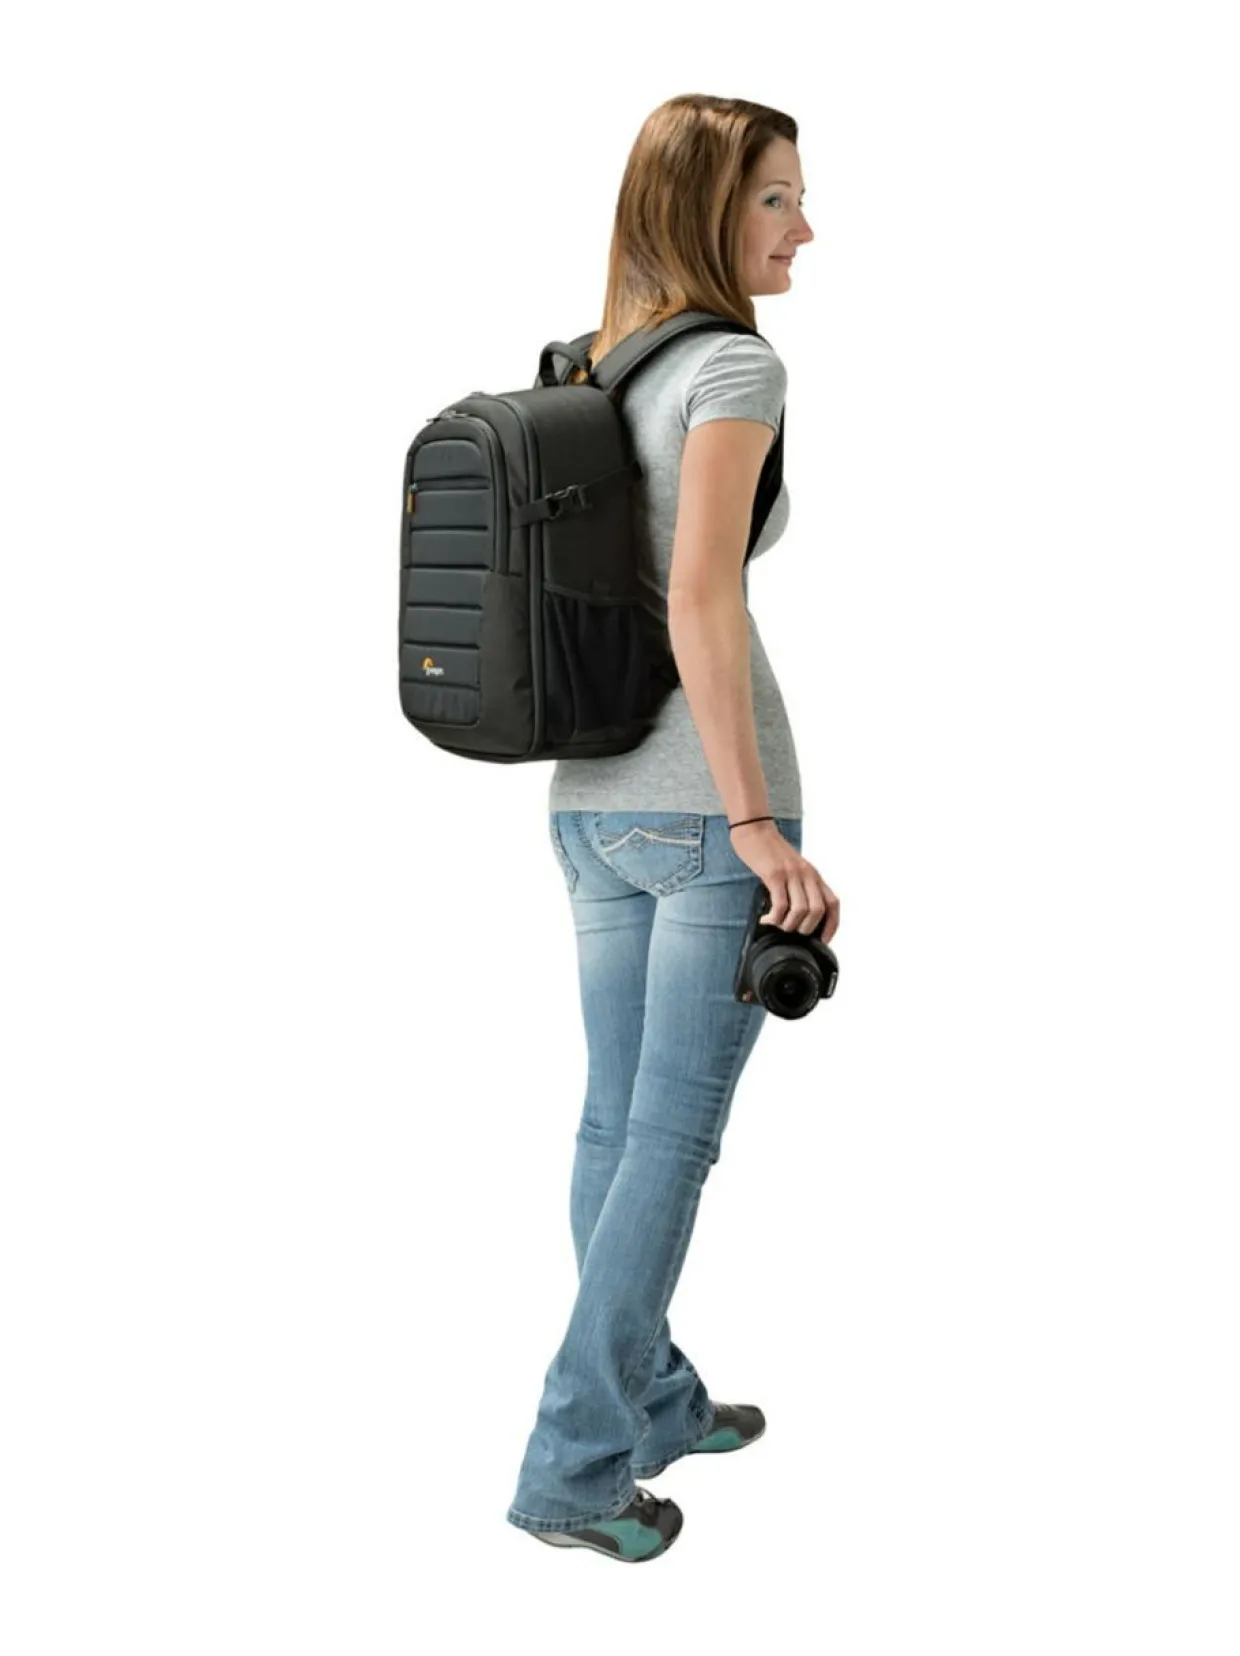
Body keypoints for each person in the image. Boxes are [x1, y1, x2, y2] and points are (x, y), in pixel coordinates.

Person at [505, 93, 840, 1563]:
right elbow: (702, 590)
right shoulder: (731, 365)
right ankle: (573, 1469)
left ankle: (651, 1402)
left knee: (615, 1126)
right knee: (668, 1141)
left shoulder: (593, 366)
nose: (804, 227)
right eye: (777, 197)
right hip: (705, 811)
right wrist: (757, 822)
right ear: (710, 206)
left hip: (590, 802)